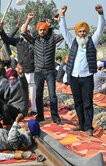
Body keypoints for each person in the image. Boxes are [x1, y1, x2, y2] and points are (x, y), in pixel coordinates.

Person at [59, 5, 105, 136]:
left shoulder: (92, 42)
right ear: (77, 33)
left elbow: (100, 30)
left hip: (87, 77)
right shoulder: (72, 42)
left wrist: (101, 14)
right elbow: (64, 31)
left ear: (87, 32)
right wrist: (62, 16)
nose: (82, 33)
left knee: (88, 103)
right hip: (73, 77)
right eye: (80, 31)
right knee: (77, 102)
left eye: (84, 31)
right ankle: (81, 123)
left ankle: (88, 126)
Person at [22, 13, 63, 125]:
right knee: (38, 95)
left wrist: (60, 20)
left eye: (44, 30)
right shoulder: (35, 41)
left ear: (47, 30)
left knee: (52, 95)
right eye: (40, 30)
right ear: (38, 31)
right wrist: (28, 19)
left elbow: (64, 34)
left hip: (50, 71)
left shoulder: (52, 40)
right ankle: (40, 116)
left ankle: (55, 117)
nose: (42, 31)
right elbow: (23, 33)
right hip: (38, 71)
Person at [0, 20, 38, 116]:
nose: (26, 33)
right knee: (20, 90)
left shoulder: (34, 41)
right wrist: (1, 29)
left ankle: (33, 108)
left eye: (28, 31)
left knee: (32, 90)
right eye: (24, 31)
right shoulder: (18, 41)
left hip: (32, 69)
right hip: (21, 71)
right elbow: (6, 39)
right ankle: (20, 107)